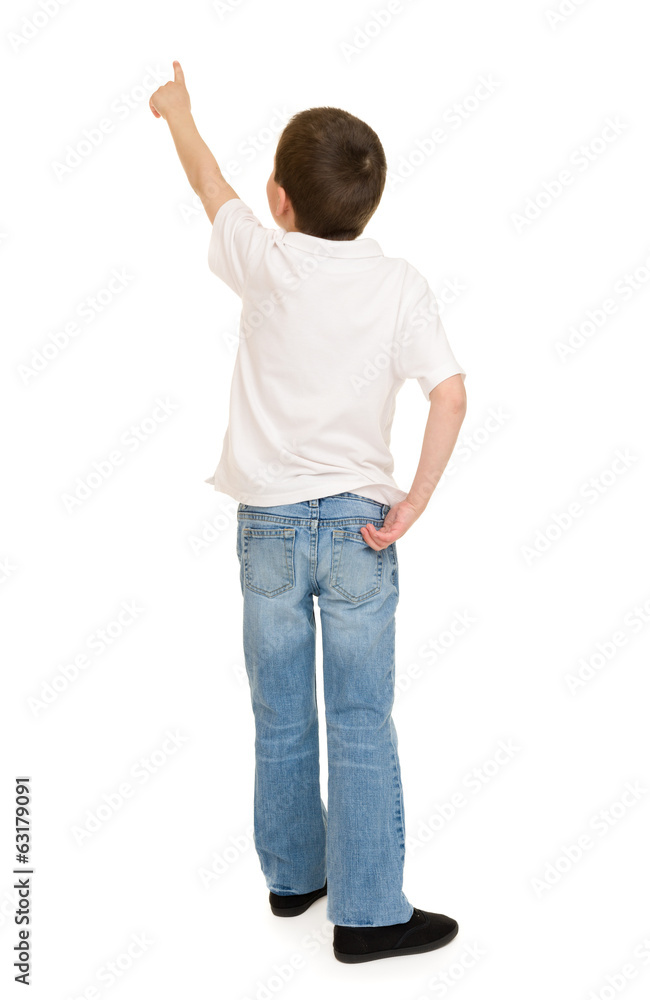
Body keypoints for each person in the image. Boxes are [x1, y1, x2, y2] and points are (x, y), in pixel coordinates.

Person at [150, 61, 468, 964]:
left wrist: (178, 111)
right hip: (365, 529)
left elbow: (208, 186)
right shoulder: (400, 282)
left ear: (279, 200)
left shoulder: (267, 257)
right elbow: (449, 395)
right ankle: (368, 918)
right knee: (361, 716)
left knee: (279, 710)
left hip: (269, 532)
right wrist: (414, 500)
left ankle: (294, 879)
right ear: (369, 205)